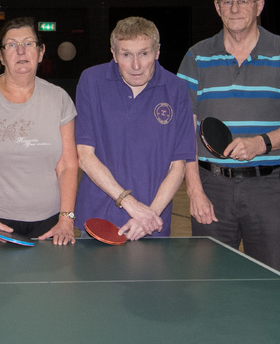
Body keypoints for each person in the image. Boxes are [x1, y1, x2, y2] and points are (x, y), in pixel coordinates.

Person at [177, 0, 280, 273]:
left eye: (243, 1)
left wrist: (263, 142)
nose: (235, 9)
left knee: (271, 284)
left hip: (272, 189)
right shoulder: (196, 57)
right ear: (217, 7)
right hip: (212, 189)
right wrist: (195, 191)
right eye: (227, 2)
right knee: (211, 285)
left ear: (259, 6)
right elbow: (183, 131)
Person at [75, 17, 194, 240]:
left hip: (152, 225)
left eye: (144, 54)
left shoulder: (176, 89)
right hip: (97, 221)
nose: (136, 65)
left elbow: (178, 166)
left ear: (157, 52)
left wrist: (148, 216)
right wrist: (131, 205)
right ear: (113, 53)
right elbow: (84, 157)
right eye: (126, 54)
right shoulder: (91, 81)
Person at [0, 17, 79, 245]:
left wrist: (66, 219)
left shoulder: (59, 99)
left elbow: (67, 165)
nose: (21, 51)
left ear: (40, 52)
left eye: (28, 43)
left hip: (49, 226)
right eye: (11, 45)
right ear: (0, 56)